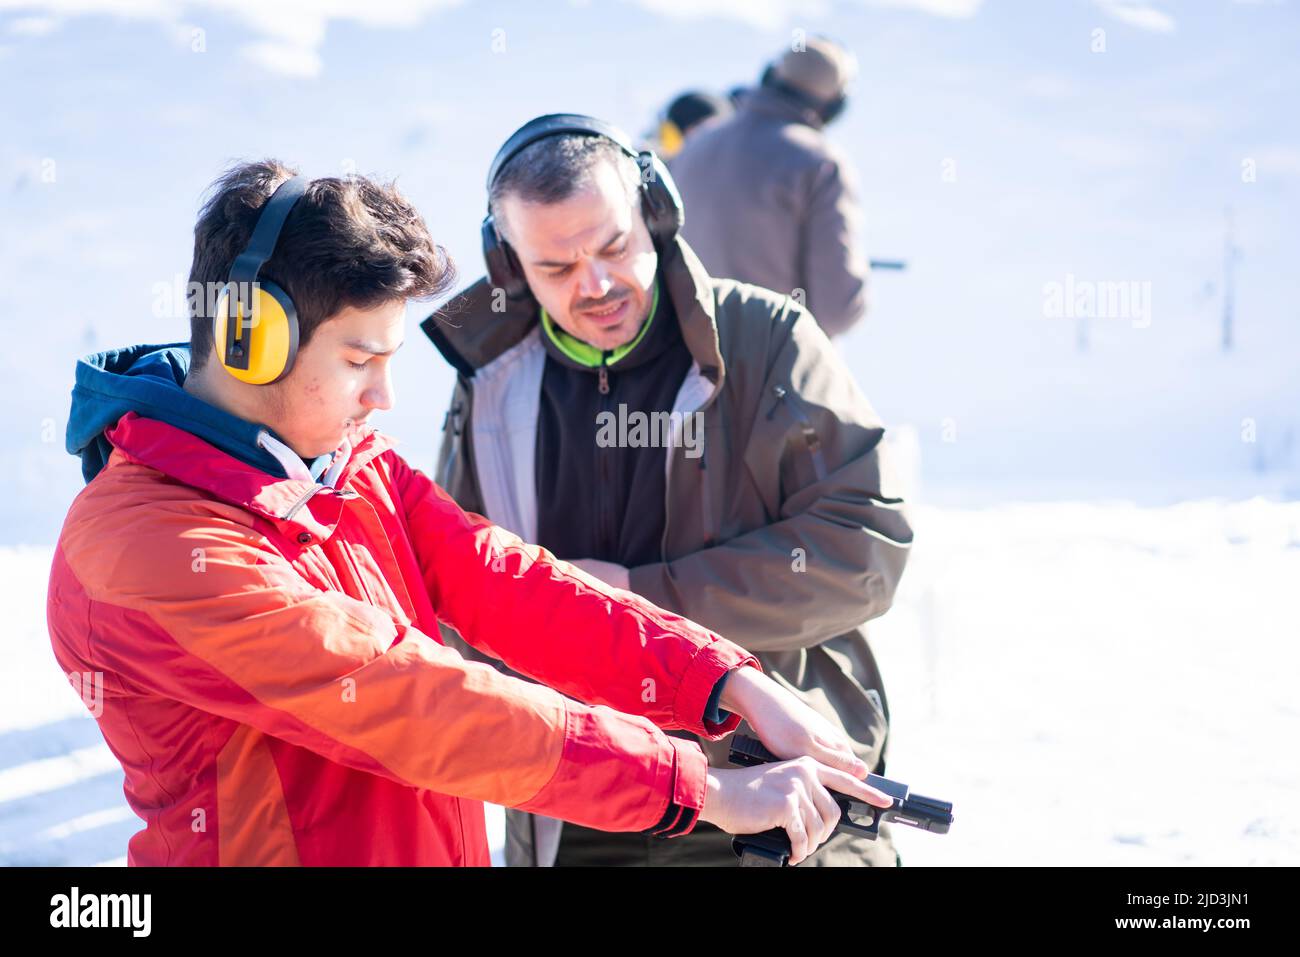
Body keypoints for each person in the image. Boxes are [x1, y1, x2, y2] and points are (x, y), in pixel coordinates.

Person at [46, 159, 894, 867]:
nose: (382, 395)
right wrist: (697, 786)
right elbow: (412, 700)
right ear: (246, 336)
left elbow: (510, 583)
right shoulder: (146, 547)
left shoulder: (342, 466)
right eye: (358, 360)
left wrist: (722, 679)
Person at [423, 115, 912, 866]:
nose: (596, 284)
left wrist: (646, 596)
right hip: (585, 802)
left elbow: (865, 547)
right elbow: (453, 597)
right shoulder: (489, 387)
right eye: (556, 266)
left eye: (614, 245)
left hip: (785, 789)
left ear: (655, 212)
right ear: (510, 264)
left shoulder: (769, 338)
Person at [669, 36, 870, 338]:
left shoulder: (695, 145)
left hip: (688, 363)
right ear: (835, 106)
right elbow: (838, 309)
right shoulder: (821, 163)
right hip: (774, 367)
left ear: (769, 76)